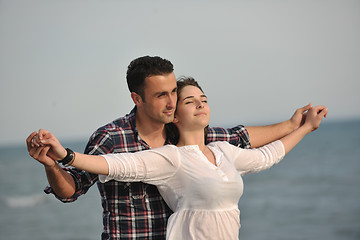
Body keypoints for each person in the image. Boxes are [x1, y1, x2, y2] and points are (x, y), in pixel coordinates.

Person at [27, 56, 315, 240]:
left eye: (174, 93)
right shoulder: (111, 138)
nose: (171, 101)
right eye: (162, 95)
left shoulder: (188, 136)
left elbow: (242, 138)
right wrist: (55, 162)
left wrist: (293, 125)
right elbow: (72, 190)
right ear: (137, 98)